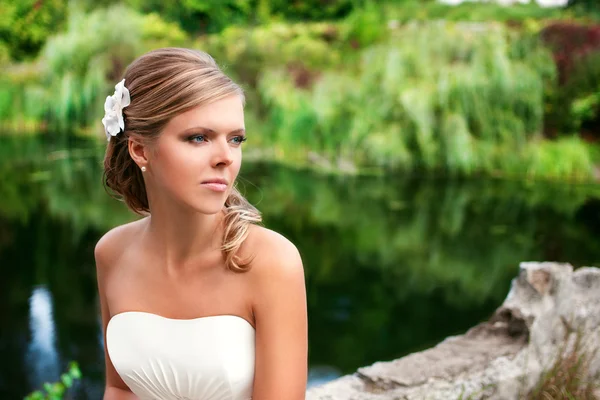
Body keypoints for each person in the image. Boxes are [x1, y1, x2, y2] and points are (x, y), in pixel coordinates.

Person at [94, 47, 308, 400]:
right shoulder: (112, 253)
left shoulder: (272, 263)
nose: (226, 157)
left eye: (235, 139)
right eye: (199, 137)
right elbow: (119, 390)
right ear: (140, 150)